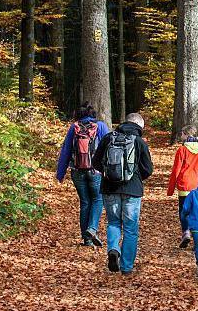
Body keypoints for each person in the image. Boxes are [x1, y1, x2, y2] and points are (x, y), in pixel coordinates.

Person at [93, 112, 153, 275]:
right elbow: (148, 169)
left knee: (113, 223)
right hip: (132, 190)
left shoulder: (108, 138)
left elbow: (96, 162)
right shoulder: (139, 142)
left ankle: (113, 249)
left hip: (109, 188)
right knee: (130, 229)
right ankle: (126, 267)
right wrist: (135, 176)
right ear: (139, 126)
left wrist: (109, 173)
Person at [54, 102, 112, 246]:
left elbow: (66, 150)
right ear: (93, 114)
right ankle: (92, 229)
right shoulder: (100, 126)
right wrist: (110, 171)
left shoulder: (74, 128)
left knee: (85, 202)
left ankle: (87, 239)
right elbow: (109, 148)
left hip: (77, 171)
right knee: (97, 199)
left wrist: (60, 173)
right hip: (95, 171)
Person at [167, 125, 198, 249]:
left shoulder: (182, 150)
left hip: (185, 185)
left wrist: (170, 189)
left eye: (182, 134)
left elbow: (176, 170)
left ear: (186, 135)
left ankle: (186, 232)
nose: (181, 136)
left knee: (184, 211)